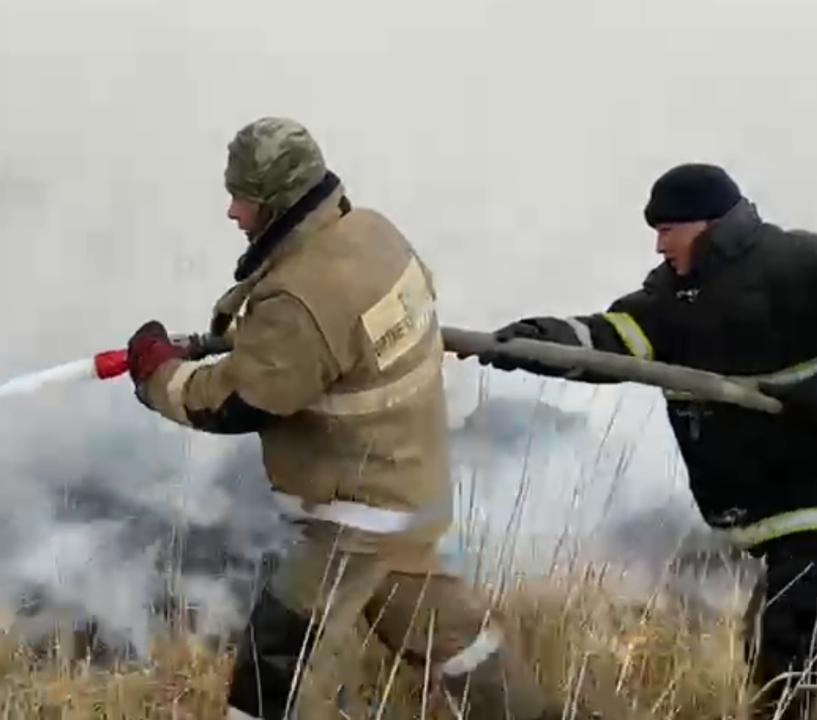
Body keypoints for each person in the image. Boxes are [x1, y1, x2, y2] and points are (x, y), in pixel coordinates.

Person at [123, 117, 562, 720]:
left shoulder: (302, 297)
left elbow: (231, 402)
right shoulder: (373, 235)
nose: (230, 211)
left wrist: (155, 374)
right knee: (452, 640)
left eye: (241, 196)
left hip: (356, 515)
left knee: (276, 662)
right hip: (410, 484)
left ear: (275, 201)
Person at [466, 162, 817, 720]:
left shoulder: (805, 265)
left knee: (784, 652)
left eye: (667, 229)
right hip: (786, 518)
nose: (658, 245)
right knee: (814, 642)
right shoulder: (679, 295)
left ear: (708, 224)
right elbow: (617, 338)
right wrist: (541, 342)